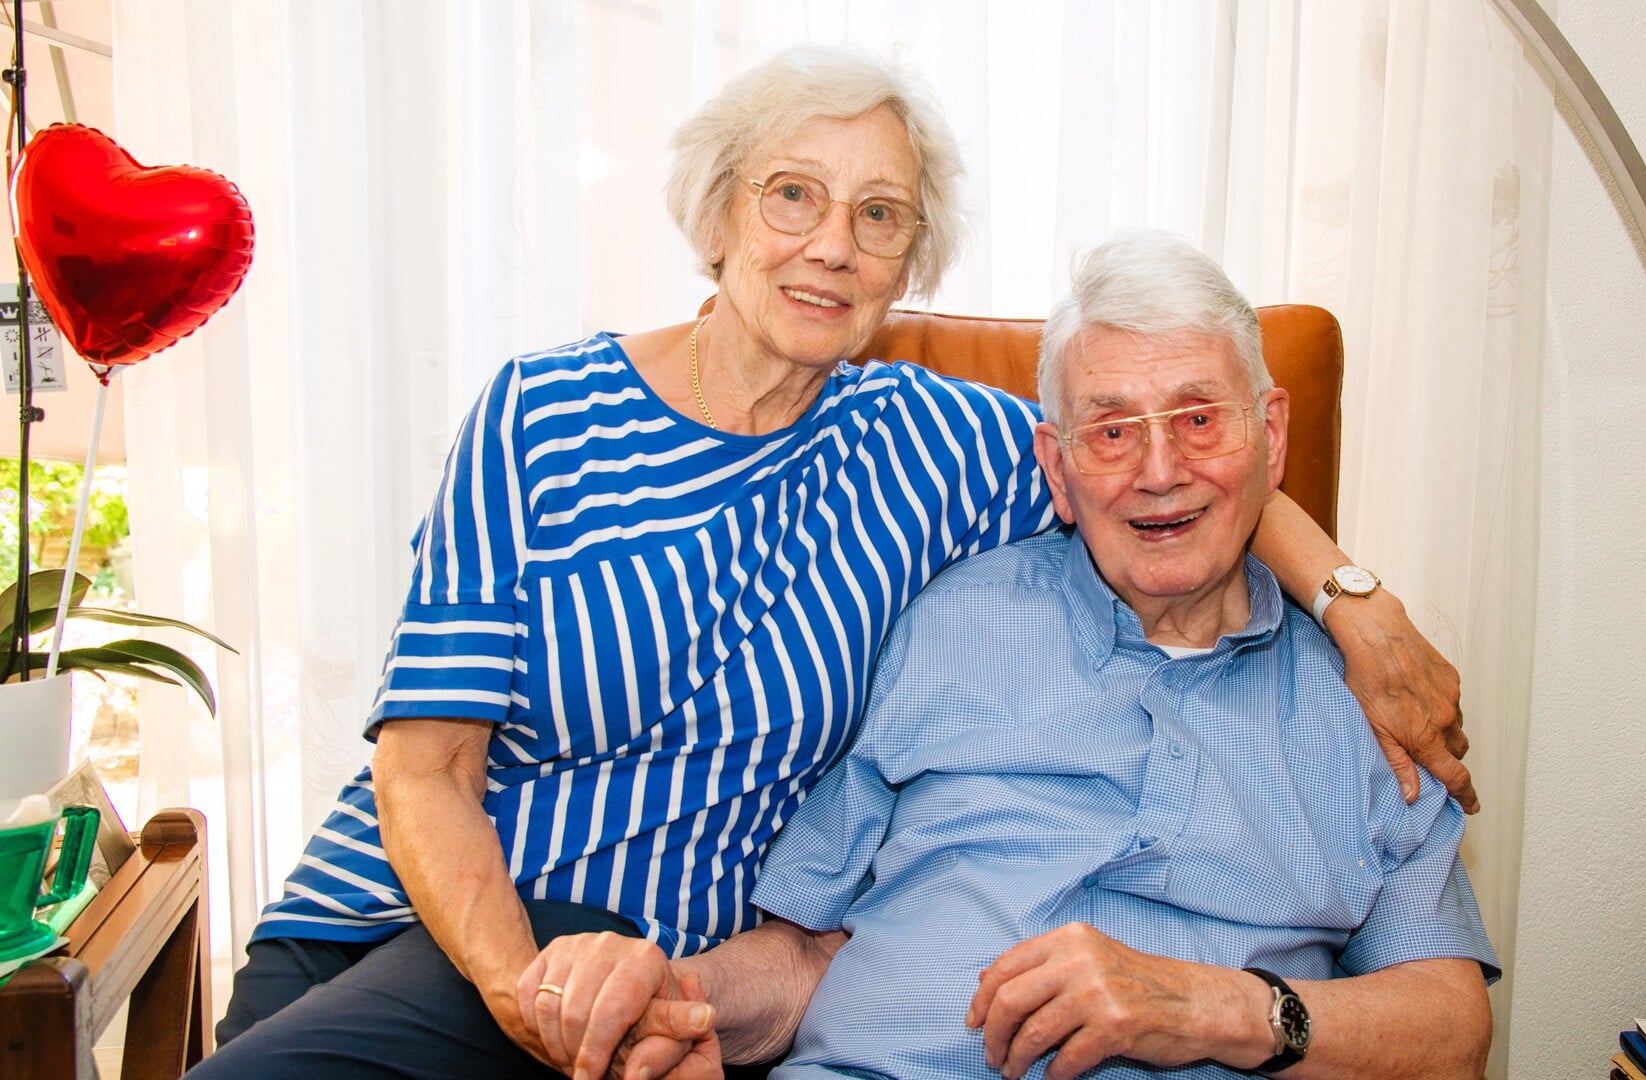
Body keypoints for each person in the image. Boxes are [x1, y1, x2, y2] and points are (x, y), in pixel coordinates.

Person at [189, 48, 1472, 1080]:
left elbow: (1167, 465)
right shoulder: (541, 417)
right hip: (444, 921)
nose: (831, 244)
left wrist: (1355, 602)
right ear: (716, 214)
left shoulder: (930, 441)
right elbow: (424, 768)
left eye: (878, 216)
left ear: (906, 263)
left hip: (668, 976)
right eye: (792, 194)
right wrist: (525, 992)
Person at [535, 233, 1496, 1080]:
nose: (1160, 472)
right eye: (1112, 432)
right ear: (1057, 468)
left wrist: (1211, 1008)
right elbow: (807, 955)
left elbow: (1452, 1034)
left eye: (1199, 417)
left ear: (1271, 432)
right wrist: (675, 995)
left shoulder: (1371, 702)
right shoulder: (950, 619)